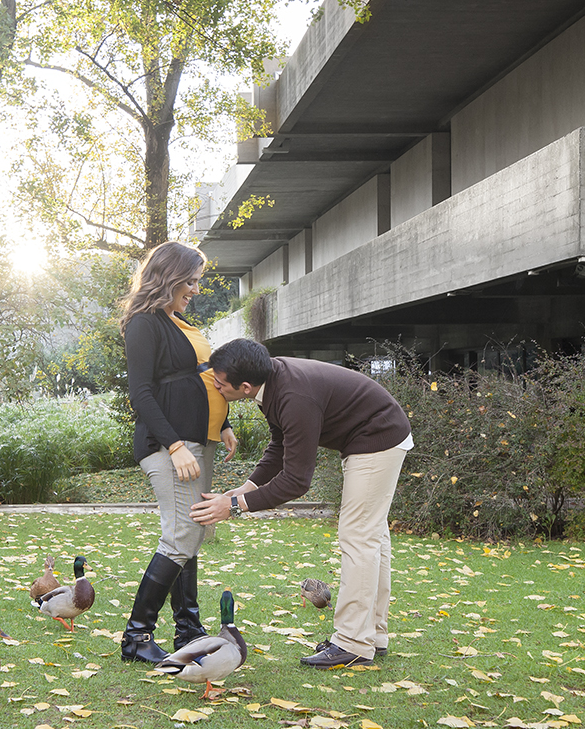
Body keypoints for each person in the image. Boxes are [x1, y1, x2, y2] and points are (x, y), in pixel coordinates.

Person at [189, 338, 413, 667]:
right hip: (372, 436)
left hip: (377, 437)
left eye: (220, 384)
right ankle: (371, 636)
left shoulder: (294, 396)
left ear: (245, 386)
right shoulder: (273, 383)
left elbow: (296, 481)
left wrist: (235, 507)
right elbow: (280, 444)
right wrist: (244, 489)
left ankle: (353, 643)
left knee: (358, 536)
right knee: (372, 536)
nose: (217, 388)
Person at [118, 242, 237, 665]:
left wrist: (220, 423)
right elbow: (142, 394)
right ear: (168, 276)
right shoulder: (144, 323)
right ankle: (136, 638)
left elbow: (199, 378)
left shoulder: (177, 319)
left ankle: (188, 626)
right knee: (181, 534)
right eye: (191, 280)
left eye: (197, 281)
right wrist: (173, 446)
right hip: (171, 443)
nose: (196, 289)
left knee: (195, 533)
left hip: (196, 440)